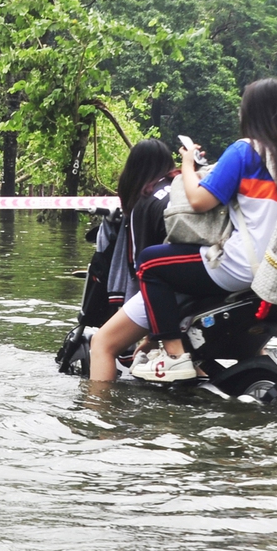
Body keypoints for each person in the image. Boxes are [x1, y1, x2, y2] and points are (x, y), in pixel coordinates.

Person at [130, 78, 277, 383]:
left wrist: (188, 163)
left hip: (243, 268)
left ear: (250, 113)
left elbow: (198, 200)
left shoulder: (245, 151)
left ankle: (174, 354)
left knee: (150, 263)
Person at [87, 138, 179, 382]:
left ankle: (99, 411)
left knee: (102, 344)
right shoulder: (184, 188)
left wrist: (149, 335)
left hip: (172, 290)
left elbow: (142, 268)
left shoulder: (145, 203)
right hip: (210, 280)